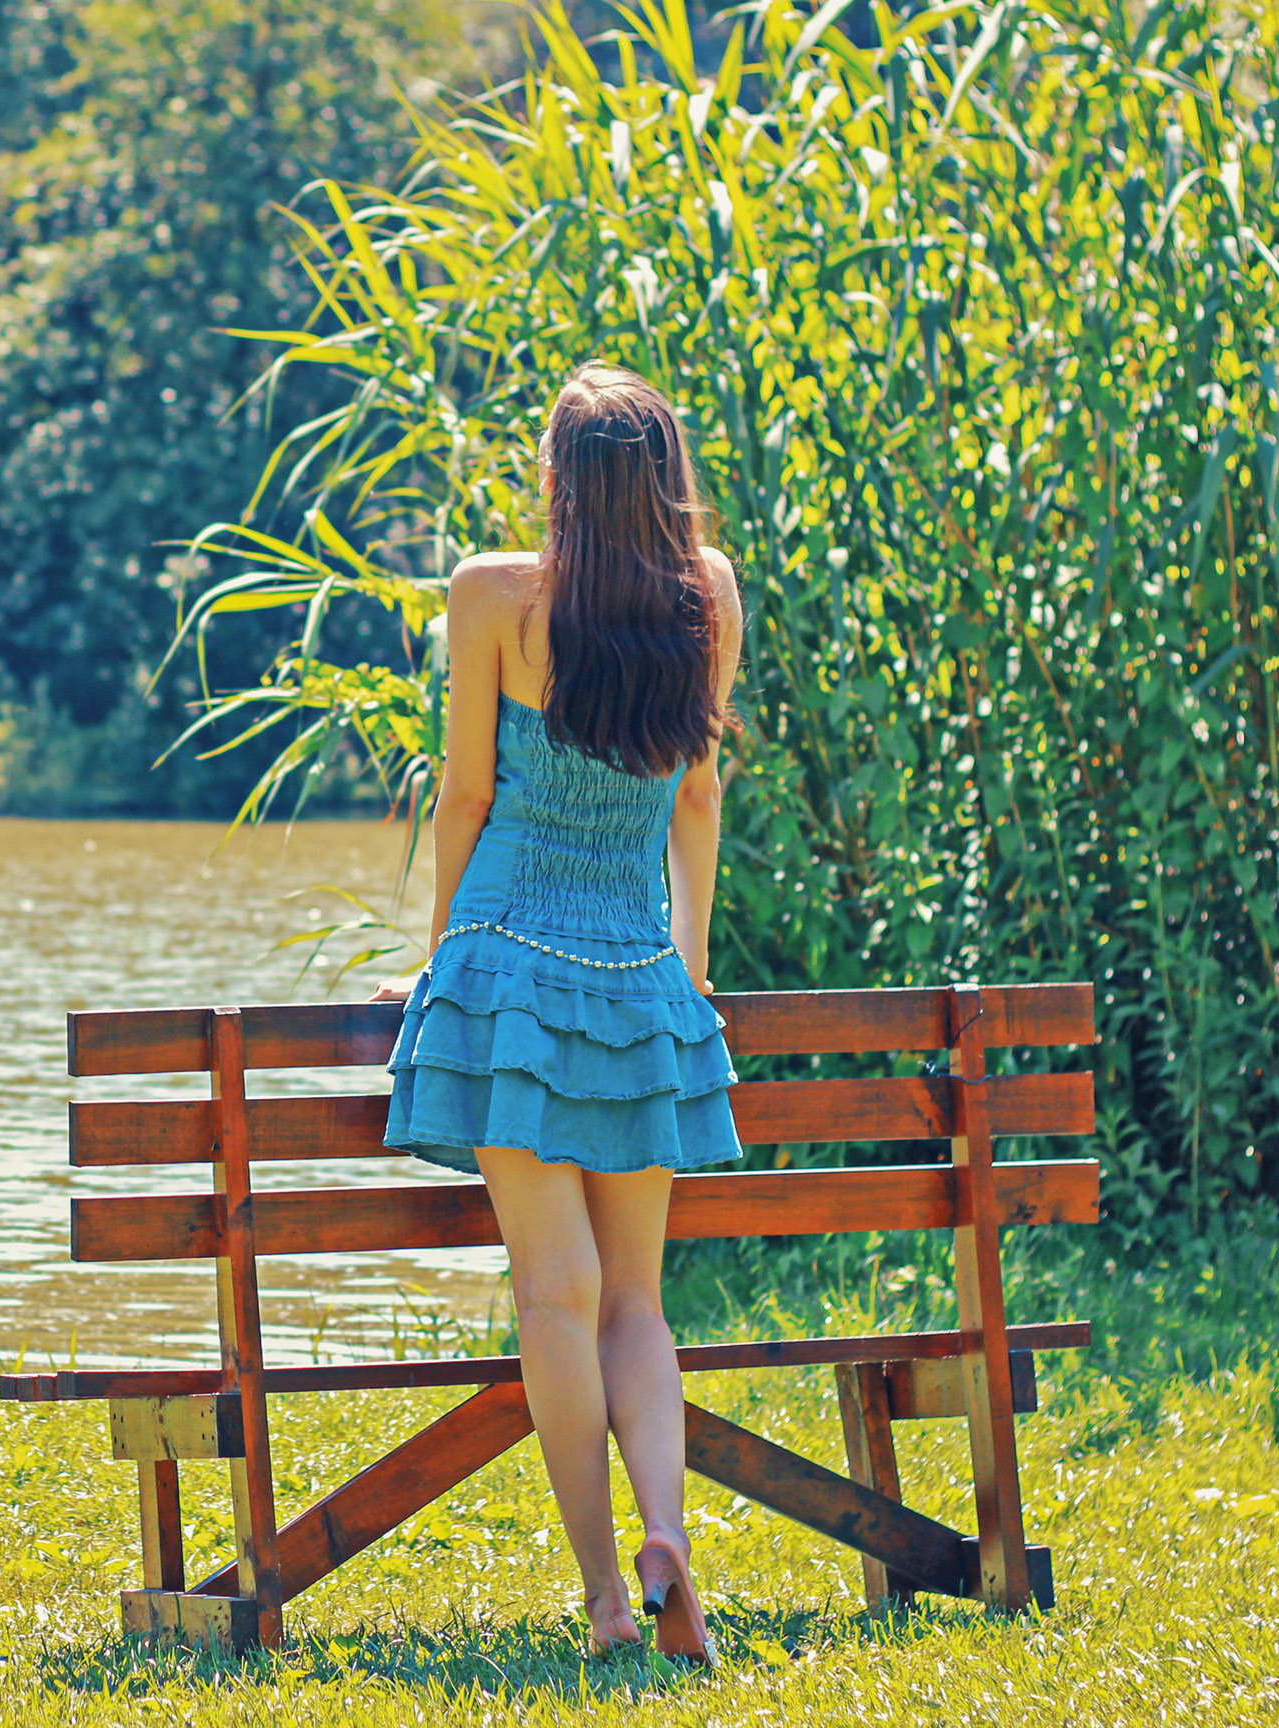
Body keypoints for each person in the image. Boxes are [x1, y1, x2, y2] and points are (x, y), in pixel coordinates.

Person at [371, 363, 743, 1665]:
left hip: (508, 964)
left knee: (555, 1290)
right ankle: (670, 1538)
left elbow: (466, 799)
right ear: (665, 480)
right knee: (635, 1297)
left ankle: (601, 1598)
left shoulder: (492, 595)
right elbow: (696, 805)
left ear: (557, 483)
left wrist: (437, 971)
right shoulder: (709, 596)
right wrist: (683, 970)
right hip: (638, 978)